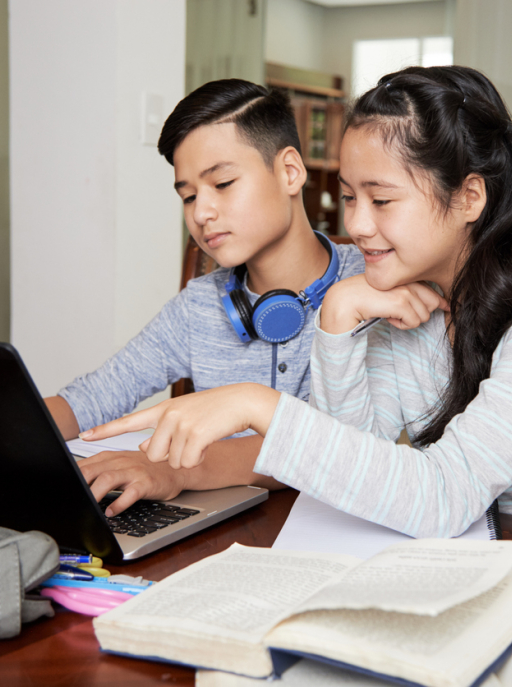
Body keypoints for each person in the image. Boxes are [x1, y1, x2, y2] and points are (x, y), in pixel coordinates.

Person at [81, 66, 512, 541]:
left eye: (382, 200)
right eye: (346, 197)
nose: (358, 226)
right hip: (477, 567)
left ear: (469, 195)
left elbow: (444, 496)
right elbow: (351, 466)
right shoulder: (403, 304)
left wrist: (257, 404)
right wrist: (336, 318)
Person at [45, 79, 365, 516]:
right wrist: (3, 430)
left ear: (290, 172)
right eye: (189, 196)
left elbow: (340, 441)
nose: (200, 213)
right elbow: (92, 398)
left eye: (224, 183)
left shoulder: (372, 280)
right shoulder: (200, 305)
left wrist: (177, 471)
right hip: (234, 527)